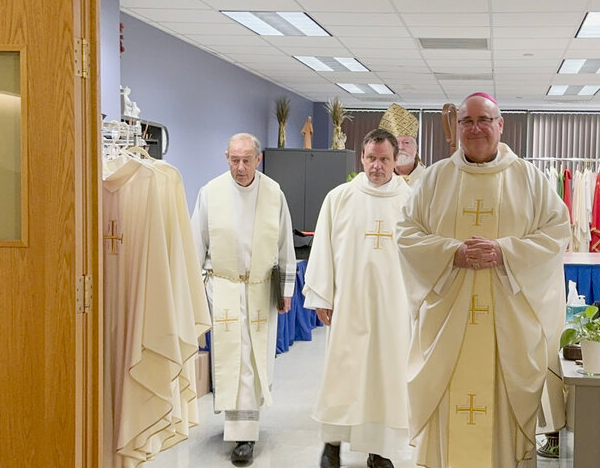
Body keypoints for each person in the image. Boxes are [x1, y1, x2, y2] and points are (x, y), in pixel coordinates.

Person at [396, 93, 571, 468]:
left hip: (506, 326)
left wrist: (506, 252)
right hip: (449, 324)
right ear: (457, 127)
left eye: (484, 120)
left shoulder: (529, 178)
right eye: (466, 121)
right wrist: (451, 254)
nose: (475, 129)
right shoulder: (434, 179)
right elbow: (407, 234)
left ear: (500, 125)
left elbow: (558, 231)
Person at [304, 128, 412, 468]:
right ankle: (331, 444)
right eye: (371, 158)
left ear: (397, 161)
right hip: (348, 304)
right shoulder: (340, 198)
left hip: (392, 307)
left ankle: (379, 451)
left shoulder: (410, 202)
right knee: (342, 375)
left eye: (384, 159)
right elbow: (322, 248)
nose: (377, 166)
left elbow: (420, 255)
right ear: (361, 158)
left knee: (384, 377)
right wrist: (323, 294)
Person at [191, 133, 296, 466]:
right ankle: (239, 432)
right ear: (226, 158)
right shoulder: (211, 193)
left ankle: (245, 433)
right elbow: (196, 243)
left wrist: (286, 290)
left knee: (252, 360)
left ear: (258, 158)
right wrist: (193, 293)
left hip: (260, 289)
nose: (240, 167)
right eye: (234, 160)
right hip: (222, 288)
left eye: (246, 160)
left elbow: (284, 247)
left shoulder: (273, 193)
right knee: (231, 357)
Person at [379, 103, 426, 186]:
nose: (400, 147)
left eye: (406, 142)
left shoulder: (430, 177)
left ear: (416, 147)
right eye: (396, 143)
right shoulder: (379, 177)